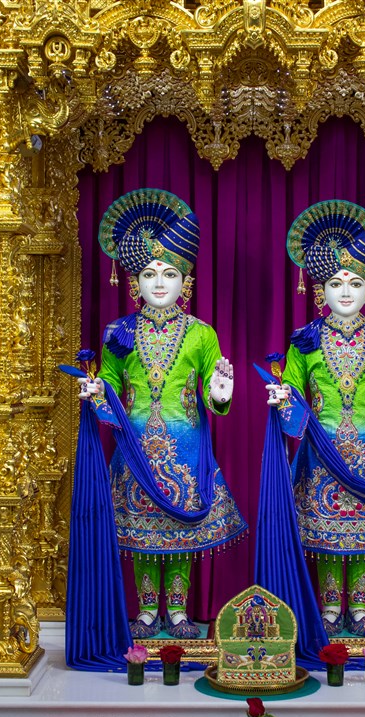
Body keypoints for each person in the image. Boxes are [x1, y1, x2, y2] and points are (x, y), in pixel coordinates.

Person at [79, 188, 246, 639]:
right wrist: (97, 391)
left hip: (185, 447)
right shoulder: (118, 331)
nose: (159, 283)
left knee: (179, 531)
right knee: (142, 534)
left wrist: (220, 392)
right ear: (134, 281)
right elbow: (109, 386)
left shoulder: (201, 334)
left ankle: (177, 612)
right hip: (134, 449)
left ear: (185, 282)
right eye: (149, 273)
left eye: (169, 274)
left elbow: (215, 396)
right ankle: (147, 612)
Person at [266, 200, 365, 637]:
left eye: (355, 283)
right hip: (321, 451)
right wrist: (282, 400)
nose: (346, 292)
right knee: (329, 533)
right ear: (321, 291)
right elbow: (293, 395)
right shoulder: (305, 341)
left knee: (363, 534)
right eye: (336, 283)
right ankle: (331, 609)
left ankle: (359, 610)